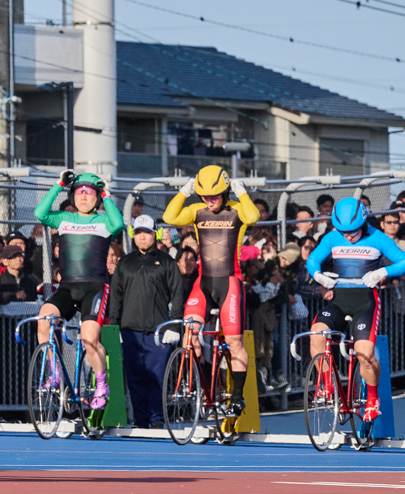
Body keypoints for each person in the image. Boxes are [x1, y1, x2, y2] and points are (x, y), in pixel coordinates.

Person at [304, 196, 405, 423]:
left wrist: (383, 272)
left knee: (365, 354)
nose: (348, 236)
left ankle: (372, 398)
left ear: (363, 222)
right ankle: (326, 386)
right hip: (338, 299)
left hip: (365, 302)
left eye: (353, 230)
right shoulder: (332, 237)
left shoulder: (377, 238)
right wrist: (318, 276)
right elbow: (313, 259)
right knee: (316, 334)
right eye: (343, 231)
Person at [164, 165, 263, 416]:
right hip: (204, 282)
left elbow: (252, 218)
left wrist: (242, 194)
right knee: (190, 334)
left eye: (215, 196)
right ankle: (205, 390)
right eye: (205, 196)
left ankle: (238, 397)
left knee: (233, 342)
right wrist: (184, 191)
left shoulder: (237, 210)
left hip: (230, 282)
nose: (210, 201)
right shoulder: (196, 210)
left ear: (226, 191)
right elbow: (170, 217)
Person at [32, 170, 126, 412]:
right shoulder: (64, 218)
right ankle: (53, 374)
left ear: (97, 197)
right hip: (67, 287)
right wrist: (59, 184)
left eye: (90, 192)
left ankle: (102, 385)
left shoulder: (104, 221)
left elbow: (118, 224)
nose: (84, 197)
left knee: (89, 339)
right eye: (79, 192)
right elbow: (39, 213)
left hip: (94, 287)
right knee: (44, 319)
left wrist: (106, 194)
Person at [109, 214, 185, 428]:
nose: (142, 238)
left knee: (157, 378)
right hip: (129, 330)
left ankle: (157, 420)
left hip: (159, 331)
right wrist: (114, 328)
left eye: (147, 233)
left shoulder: (168, 262)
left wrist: (175, 323)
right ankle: (141, 420)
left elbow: (177, 293)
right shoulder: (125, 264)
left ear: (155, 234)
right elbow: (116, 297)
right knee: (135, 378)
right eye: (138, 233)